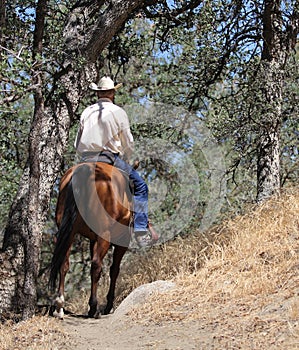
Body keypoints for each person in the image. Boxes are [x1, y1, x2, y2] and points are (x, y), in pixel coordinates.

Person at [74, 76, 157, 248]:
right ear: (112, 93)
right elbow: (128, 142)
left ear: (98, 93)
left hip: (85, 159)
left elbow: (77, 144)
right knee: (141, 186)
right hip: (108, 158)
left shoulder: (86, 111)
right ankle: (141, 231)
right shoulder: (119, 112)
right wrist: (128, 155)